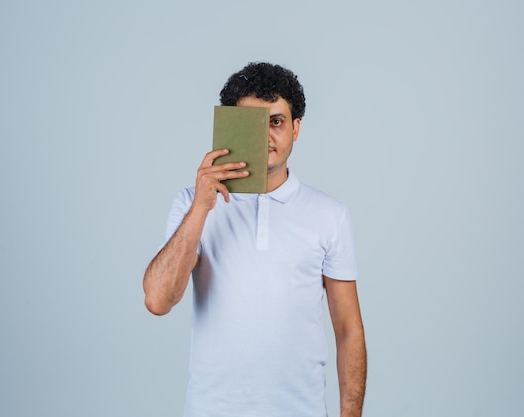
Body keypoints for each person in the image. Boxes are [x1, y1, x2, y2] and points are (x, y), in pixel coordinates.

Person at [143, 62, 366, 417]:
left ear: (295, 128)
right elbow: (157, 300)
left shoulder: (330, 215)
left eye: (276, 121)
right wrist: (202, 206)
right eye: (252, 124)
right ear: (231, 128)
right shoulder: (192, 204)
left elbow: (348, 329)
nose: (265, 136)